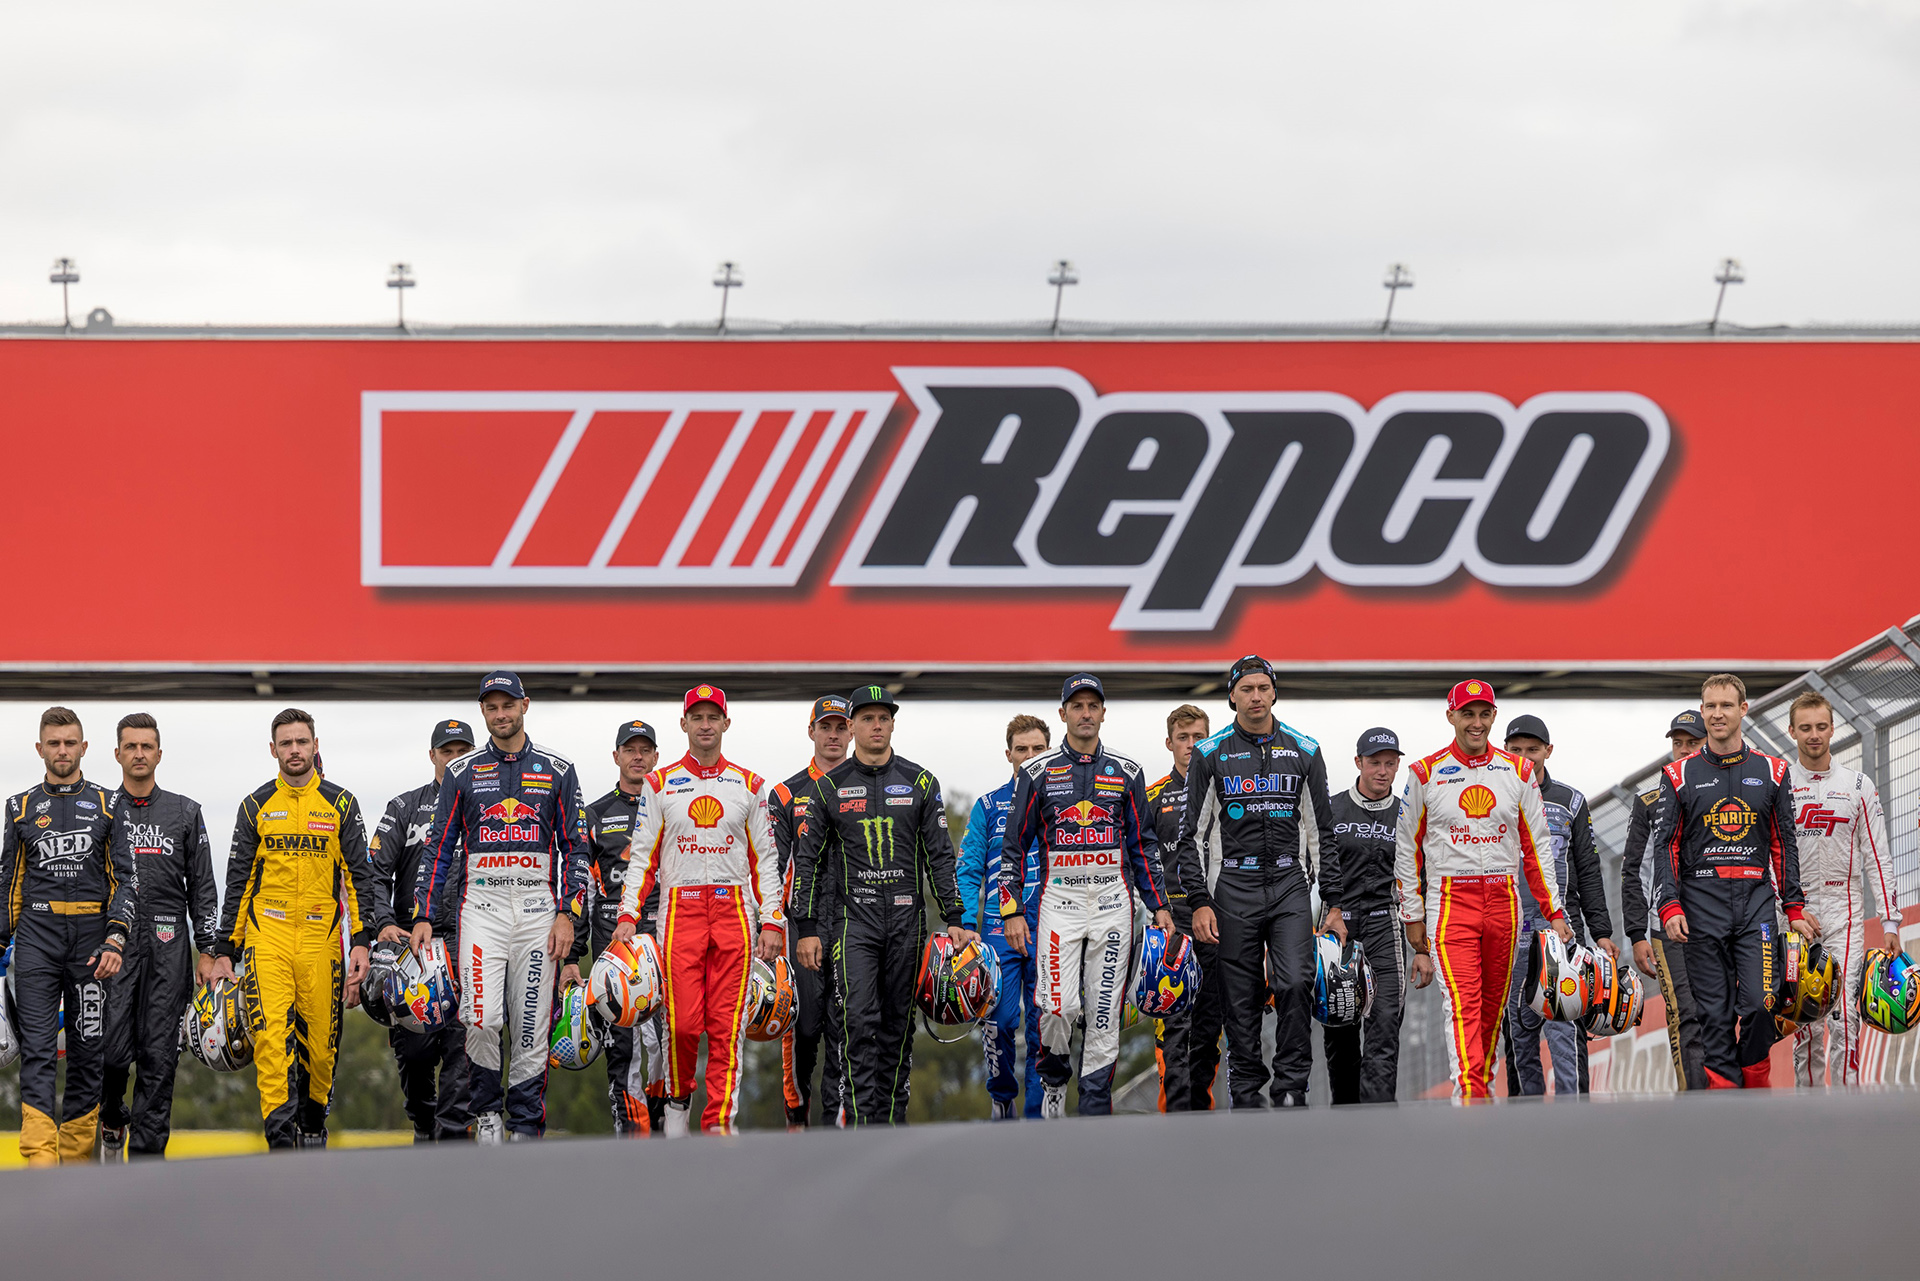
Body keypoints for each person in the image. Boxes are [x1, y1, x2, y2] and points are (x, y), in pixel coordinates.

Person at [409, 672, 589, 1143]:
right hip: (482, 912)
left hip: (538, 913)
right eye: (491, 707)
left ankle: (526, 1127)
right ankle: (486, 1114)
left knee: (530, 1026)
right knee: (482, 1018)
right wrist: (424, 913)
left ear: (525, 705)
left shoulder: (559, 769)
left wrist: (568, 913)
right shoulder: (461, 771)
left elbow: (576, 848)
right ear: (483, 712)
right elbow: (438, 847)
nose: (501, 714)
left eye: (508, 705)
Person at [789, 684, 971, 1126]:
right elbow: (808, 861)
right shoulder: (830, 787)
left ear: (892, 724)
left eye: (883, 718)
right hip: (854, 924)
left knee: (897, 1028)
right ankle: (860, 1126)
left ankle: (891, 1125)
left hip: (908, 923)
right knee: (857, 1022)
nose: (876, 725)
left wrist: (955, 916)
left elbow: (940, 855)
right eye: (867, 718)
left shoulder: (920, 781)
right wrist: (807, 927)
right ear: (852, 727)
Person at [610, 685, 782, 1136]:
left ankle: (719, 1124)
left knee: (727, 1028)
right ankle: (677, 1104)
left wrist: (773, 919)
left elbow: (765, 860)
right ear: (684, 724)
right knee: (682, 1025)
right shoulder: (659, 783)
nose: (706, 725)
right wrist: (627, 915)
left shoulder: (750, 785)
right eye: (697, 717)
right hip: (679, 912)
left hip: (734, 911)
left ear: (726, 723)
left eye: (713, 717)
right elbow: (642, 857)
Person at [1171, 655, 1340, 1110]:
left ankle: (1292, 1088)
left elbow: (1322, 832)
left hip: (1288, 883)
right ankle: (1246, 1092)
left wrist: (1333, 903)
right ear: (1232, 696)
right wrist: (1200, 901)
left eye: (1263, 687)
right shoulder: (1210, 753)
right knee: (1240, 998)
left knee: (1296, 982)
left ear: (1274, 692)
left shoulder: (1305, 750)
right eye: (1246, 689)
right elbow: (1190, 837)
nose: (1256, 696)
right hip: (1232, 887)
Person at [1003, 673, 1172, 1117]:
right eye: (1076, 706)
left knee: (1103, 1015)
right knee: (1057, 1007)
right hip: (1059, 904)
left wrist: (1159, 906)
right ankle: (1054, 1079)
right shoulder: (1037, 772)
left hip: (1113, 904)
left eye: (1092, 705)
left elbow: (1142, 844)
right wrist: (1011, 909)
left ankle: (1095, 1114)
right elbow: (1013, 845)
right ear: (1063, 714)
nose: (1085, 713)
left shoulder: (1127, 771)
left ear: (1102, 713)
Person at [1394, 680, 1569, 1103]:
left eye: (1484, 714)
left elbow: (1537, 847)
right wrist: (1412, 914)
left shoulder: (1519, 771)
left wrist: (1555, 911)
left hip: (1504, 898)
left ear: (1493, 717)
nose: (1476, 723)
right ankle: (1470, 1094)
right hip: (1450, 901)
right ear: (1451, 716)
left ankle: (1481, 1091)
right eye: (1467, 714)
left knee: (1492, 1007)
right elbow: (1406, 848)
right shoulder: (1424, 772)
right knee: (1462, 1004)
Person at [210, 708, 373, 1149]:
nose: (295, 750)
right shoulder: (255, 805)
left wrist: (361, 941)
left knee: (321, 1051)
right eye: (286, 743)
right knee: (270, 1042)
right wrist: (225, 949)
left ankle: (313, 1128)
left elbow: (358, 877)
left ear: (315, 746)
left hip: (322, 941)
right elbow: (239, 881)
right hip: (269, 938)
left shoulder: (341, 803)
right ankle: (280, 1146)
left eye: (302, 742)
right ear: (273, 750)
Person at [1647, 674, 1815, 1089]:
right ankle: (1725, 1104)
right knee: (1714, 1015)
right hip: (1700, 906)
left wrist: (1793, 907)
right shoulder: (1678, 774)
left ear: (1743, 709)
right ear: (1702, 711)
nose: (1717, 714)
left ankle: (1754, 1085)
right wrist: (1669, 905)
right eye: (1710, 706)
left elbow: (1783, 843)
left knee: (1762, 1003)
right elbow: (1665, 845)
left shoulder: (1773, 770)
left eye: (1726, 705)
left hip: (1756, 904)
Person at [0, 707, 132, 1166]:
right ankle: (40, 1162)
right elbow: (10, 884)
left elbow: (124, 880)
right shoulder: (19, 807)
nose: (62, 750)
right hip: (37, 939)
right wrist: (1, 944)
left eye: (70, 742)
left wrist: (115, 939)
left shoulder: (108, 804)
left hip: (92, 944)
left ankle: (75, 1167)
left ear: (84, 747)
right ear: (40, 749)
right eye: (54, 743)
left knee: (87, 1053)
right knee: (37, 1052)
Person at [99, 713, 217, 1160]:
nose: (139, 754)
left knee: (159, 1058)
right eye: (130, 746)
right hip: (114, 945)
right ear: (117, 754)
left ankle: (147, 1164)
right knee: (111, 1053)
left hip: (170, 945)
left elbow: (203, 888)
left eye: (146, 746)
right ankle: (112, 1113)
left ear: (159, 754)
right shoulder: (101, 810)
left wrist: (208, 951)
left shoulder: (186, 812)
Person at [366, 718, 476, 1143]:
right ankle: (424, 1126)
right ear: (432, 756)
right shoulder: (404, 807)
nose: (455, 759)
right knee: (414, 1052)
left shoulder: (486, 808)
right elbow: (374, 873)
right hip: (413, 943)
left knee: (462, 1050)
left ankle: (452, 1141)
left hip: (468, 941)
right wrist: (384, 923)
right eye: (447, 752)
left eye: (463, 752)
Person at [1786, 691, 1901, 1086]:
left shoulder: (1857, 785)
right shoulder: (1780, 784)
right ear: (1791, 731)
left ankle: (1848, 1108)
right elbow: (1769, 856)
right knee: (1804, 1020)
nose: (1814, 735)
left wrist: (1890, 921)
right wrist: (1788, 908)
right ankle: (1809, 1110)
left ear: (1833, 729)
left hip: (1844, 911)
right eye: (1805, 728)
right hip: (1795, 914)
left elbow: (1878, 855)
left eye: (1821, 727)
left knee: (1845, 1015)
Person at [1499, 714, 1616, 1097]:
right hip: (1509, 930)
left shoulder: (1570, 801)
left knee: (1565, 1027)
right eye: (1516, 750)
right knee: (1519, 1031)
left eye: (1533, 749)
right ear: (1504, 751)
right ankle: (1526, 1116)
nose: (1525, 757)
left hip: (1561, 930)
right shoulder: (1490, 799)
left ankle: (1574, 1115)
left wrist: (1601, 932)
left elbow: (1589, 869)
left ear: (1548, 751)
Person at [567, 718, 668, 1135]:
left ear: (656, 757)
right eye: (630, 750)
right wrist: (573, 956)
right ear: (616, 756)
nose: (638, 757)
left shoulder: (671, 805)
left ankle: (664, 1126)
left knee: (666, 1041)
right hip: (612, 942)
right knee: (622, 1046)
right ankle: (630, 1132)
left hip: (662, 936)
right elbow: (579, 889)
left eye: (645, 750)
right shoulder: (594, 815)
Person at [956, 713, 1050, 1120]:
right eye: (1022, 749)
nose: (1029, 756)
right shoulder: (988, 805)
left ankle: (1038, 1111)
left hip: (1051, 925)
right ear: (1008, 754)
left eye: (1038, 749)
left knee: (1046, 1023)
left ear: (1050, 752)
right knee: (1000, 1020)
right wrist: (965, 922)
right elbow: (968, 868)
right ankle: (1001, 1098)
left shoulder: (1062, 803)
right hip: (998, 929)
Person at [770, 696, 853, 1128]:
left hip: (854, 920)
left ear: (851, 732)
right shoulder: (785, 793)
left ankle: (834, 1122)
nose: (833, 735)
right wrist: (772, 922)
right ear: (812, 731)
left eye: (841, 727)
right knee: (802, 1027)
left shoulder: (868, 785)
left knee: (845, 1026)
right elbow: (772, 867)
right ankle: (795, 1113)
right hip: (801, 923)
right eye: (826, 727)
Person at [1619, 710, 1710, 1091]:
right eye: (1678, 743)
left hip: (1721, 920)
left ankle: (1733, 1098)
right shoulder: (1649, 800)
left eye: (1693, 743)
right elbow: (1633, 871)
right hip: (1667, 927)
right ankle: (1694, 1101)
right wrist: (1637, 934)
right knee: (1685, 1013)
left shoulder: (1729, 789)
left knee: (1725, 1011)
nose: (1684, 750)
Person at [1324, 727, 1406, 1105]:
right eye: (1375, 763)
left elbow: (1420, 878)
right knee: (1339, 1026)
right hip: (1336, 924)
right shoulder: (1331, 808)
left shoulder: (1408, 813)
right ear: (1358, 762)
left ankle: (1379, 1120)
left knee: (1385, 1024)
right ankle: (1346, 1118)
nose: (1383, 771)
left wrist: (1422, 947)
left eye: (1390, 763)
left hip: (1385, 923)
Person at [1151, 703, 1225, 1112]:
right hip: (1171, 925)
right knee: (1173, 1029)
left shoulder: (1228, 791)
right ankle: (1174, 1119)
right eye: (1183, 737)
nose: (1191, 745)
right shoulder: (1151, 797)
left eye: (1199, 737)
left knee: (1209, 1029)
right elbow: (1138, 860)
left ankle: (1202, 1119)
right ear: (1169, 743)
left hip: (1219, 922)